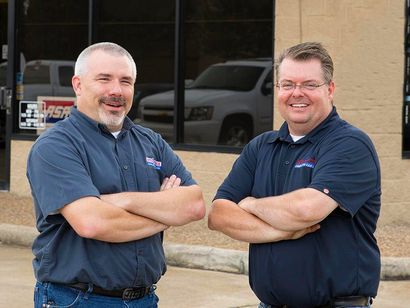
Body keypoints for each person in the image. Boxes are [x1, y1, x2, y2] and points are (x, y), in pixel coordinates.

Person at [27, 42, 206, 307]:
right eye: (104, 79)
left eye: (126, 81)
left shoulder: (150, 142)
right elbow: (92, 223)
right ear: (78, 84)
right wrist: (164, 215)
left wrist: (120, 201)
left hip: (144, 299)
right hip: (77, 299)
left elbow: (194, 205)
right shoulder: (56, 145)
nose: (116, 91)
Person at [208, 42, 381, 308]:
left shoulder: (350, 144)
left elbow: (306, 210)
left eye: (309, 85)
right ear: (278, 90)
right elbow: (219, 215)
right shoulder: (260, 147)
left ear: (330, 90)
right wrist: (280, 233)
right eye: (287, 84)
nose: (296, 93)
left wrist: (251, 204)